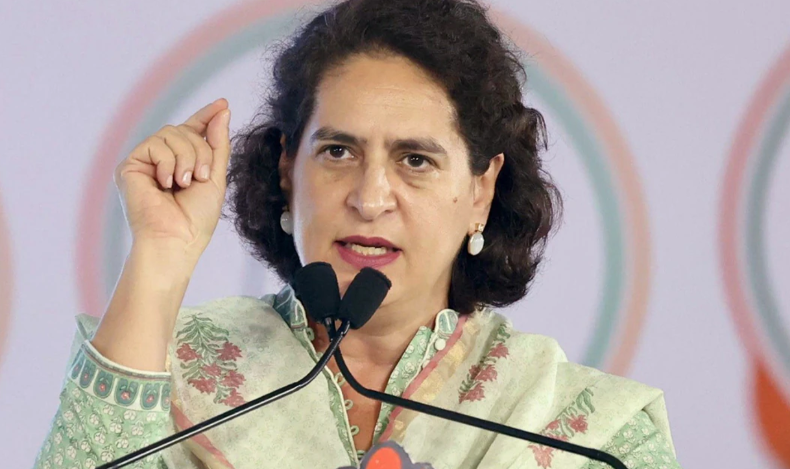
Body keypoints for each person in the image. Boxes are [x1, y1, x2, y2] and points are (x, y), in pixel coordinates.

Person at [34, 0, 682, 468]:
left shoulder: (580, 433)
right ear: (288, 170)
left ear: (481, 191)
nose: (370, 199)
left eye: (415, 160)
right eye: (338, 152)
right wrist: (161, 252)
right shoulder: (170, 372)